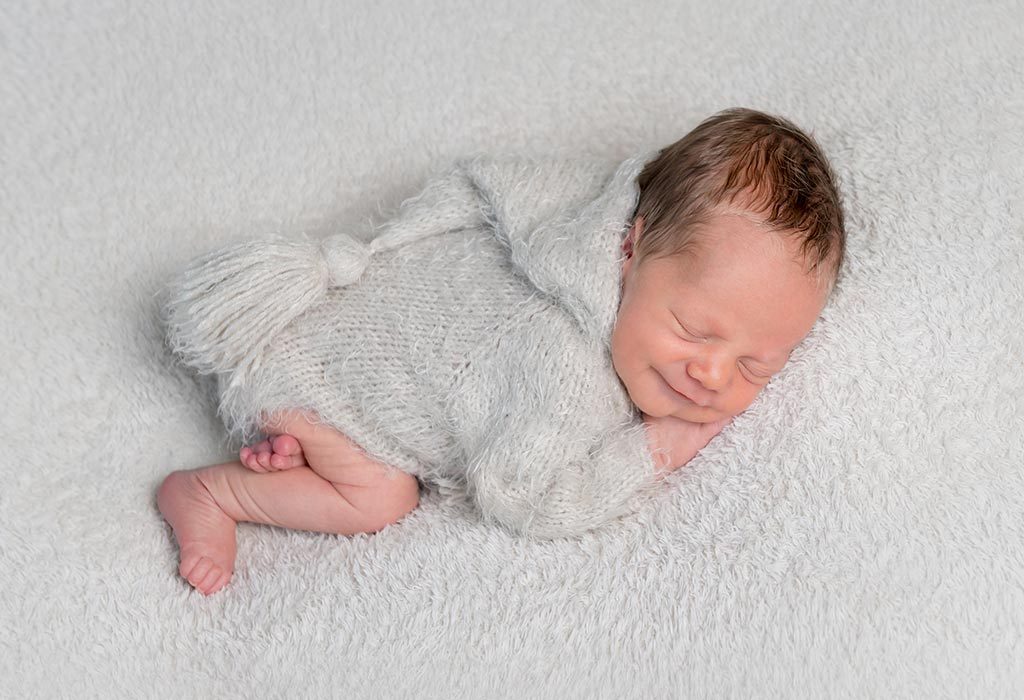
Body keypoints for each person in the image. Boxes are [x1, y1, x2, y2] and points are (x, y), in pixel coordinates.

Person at [156, 107, 846, 596]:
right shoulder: (564, 370)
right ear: (632, 247)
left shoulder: (574, 210)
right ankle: (213, 493)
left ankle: (301, 449)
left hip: (335, 329)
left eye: (759, 364)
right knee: (382, 497)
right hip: (301, 369)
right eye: (695, 330)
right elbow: (525, 498)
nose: (713, 375)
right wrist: (658, 447)